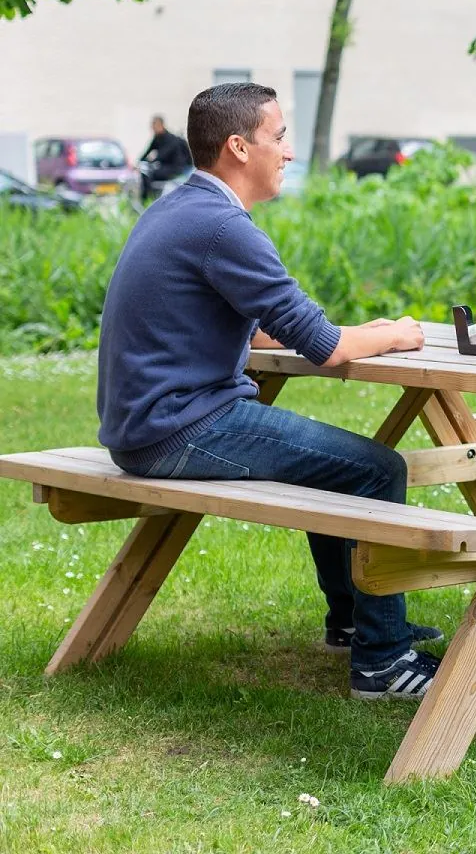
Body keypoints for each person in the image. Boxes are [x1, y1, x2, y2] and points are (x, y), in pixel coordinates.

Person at [97, 82, 444, 700]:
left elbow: (259, 330)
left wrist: (355, 332)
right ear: (238, 146)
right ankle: (384, 662)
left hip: (145, 424)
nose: (287, 152)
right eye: (278, 137)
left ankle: (353, 621)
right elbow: (325, 345)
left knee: (336, 469)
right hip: (178, 428)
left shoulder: (180, 209)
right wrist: (393, 334)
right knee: (375, 469)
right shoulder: (221, 226)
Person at [138, 115, 193, 202]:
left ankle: (150, 198)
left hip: (175, 168)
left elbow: (162, 155)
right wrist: (139, 162)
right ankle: (147, 198)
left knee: (150, 173)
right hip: (165, 166)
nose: (153, 129)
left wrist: (149, 161)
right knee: (145, 173)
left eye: (154, 126)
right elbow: (148, 151)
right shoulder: (157, 138)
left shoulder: (171, 139)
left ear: (161, 125)